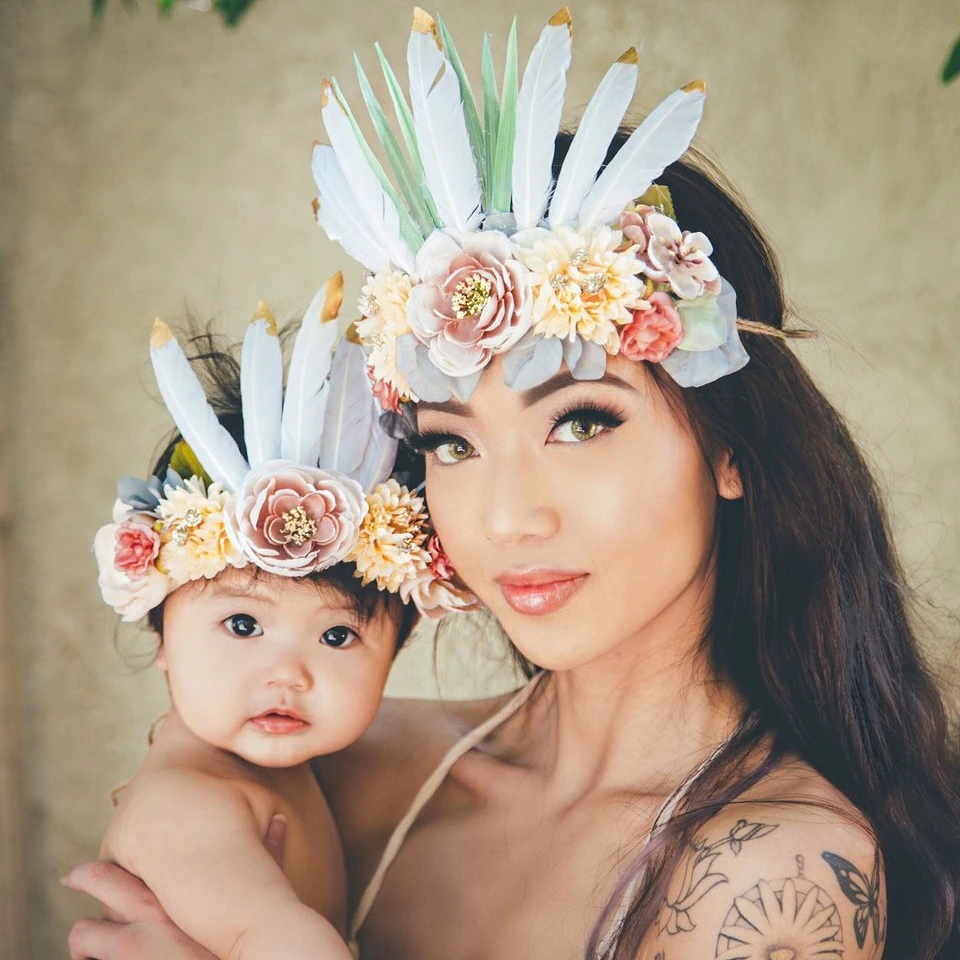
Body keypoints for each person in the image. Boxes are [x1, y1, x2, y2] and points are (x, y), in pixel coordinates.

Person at [65, 9, 960, 960]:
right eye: (453, 444)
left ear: (731, 447)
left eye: (581, 423)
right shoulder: (329, 764)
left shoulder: (773, 874)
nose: (505, 516)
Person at [80, 281, 473, 960]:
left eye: (338, 635)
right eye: (242, 626)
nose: (289, 673)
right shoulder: (188, 805)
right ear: (160, 630)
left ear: (397, 649)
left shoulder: (284, 774)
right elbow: (281, 941)